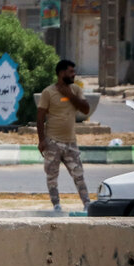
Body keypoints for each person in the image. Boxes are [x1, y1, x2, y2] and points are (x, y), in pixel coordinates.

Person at [36, 59, 91, 212]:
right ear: (61, 73)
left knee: (78, 174)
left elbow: (86, 109)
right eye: (70, 72)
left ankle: (87, 204)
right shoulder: (48, 92)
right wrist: (41, 141)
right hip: (52, 141)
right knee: (52, 177)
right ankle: (56, 205)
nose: (74, 74)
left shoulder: (76, 90)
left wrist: (69, 95)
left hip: (71, 142)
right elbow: (40, 117)